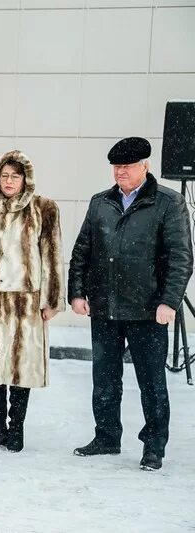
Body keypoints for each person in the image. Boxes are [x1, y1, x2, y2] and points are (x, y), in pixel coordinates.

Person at [68, 137, 192, 471]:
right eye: (117, 166)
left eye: (128, 166)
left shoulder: (168, 202)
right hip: (105, 306)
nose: (121, 172)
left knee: (151, 381)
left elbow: (181, 258)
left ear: (145, 166)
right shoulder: (100, 203)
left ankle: (154, 446)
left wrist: (169, 301)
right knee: (104, 378)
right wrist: (77, 293)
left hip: (148, 309)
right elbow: (82, 251)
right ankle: (106, 436)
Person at [0, 150, 65, 452]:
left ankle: (16, 428)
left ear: (25, 179)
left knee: (19, 365)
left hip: (24, 302)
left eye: (14, 176)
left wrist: (52, 299)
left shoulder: (43, 208)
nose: (8, 181)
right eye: (4, 175)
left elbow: (52, 255)